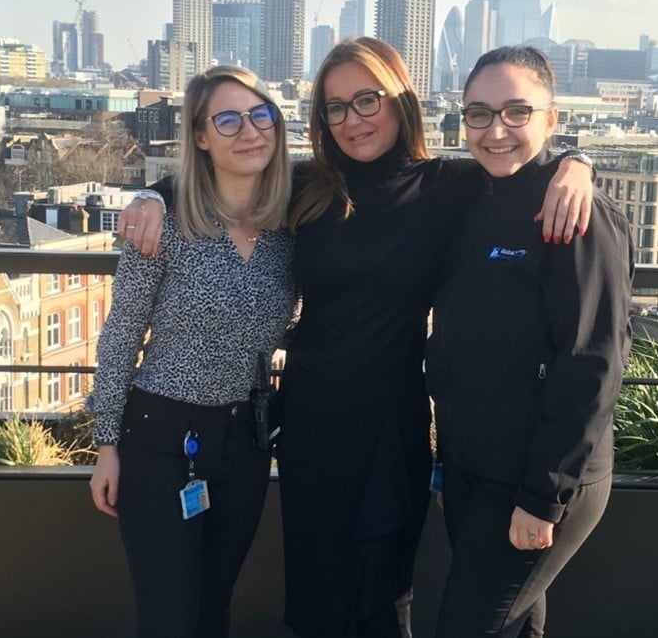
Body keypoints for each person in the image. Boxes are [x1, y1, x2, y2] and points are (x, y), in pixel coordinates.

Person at [117, 38, 595, 638]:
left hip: (392, 420)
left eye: (366, 100)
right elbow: (224, 177)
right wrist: (151, 195)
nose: (352, 119)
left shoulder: (447, 187)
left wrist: (579, 160)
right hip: (311, 419)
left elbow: (521, 159)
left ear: (400, 101)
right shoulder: (308, 185)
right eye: (335, 108)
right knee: (317, 591)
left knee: (384, 591)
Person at [426, 46, 634, 638]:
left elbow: (592, 364)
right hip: (473, 468)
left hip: (540, 478)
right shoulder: (472, 198)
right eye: (478, 114)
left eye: (518, 112)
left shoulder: (574, 214)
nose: (496, 131)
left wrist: (545, 496)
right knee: (517, 624)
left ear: (552, 118)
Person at [88, 65, 296, 638]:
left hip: (246, 443)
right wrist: (107, 445)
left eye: (261, 115)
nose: (249, 131)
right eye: (227, 119)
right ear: (200, 136)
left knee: (213, 606)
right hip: (160, 440)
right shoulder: (163, 225)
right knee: (170, 616)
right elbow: (122, 331)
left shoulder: (289, 227)